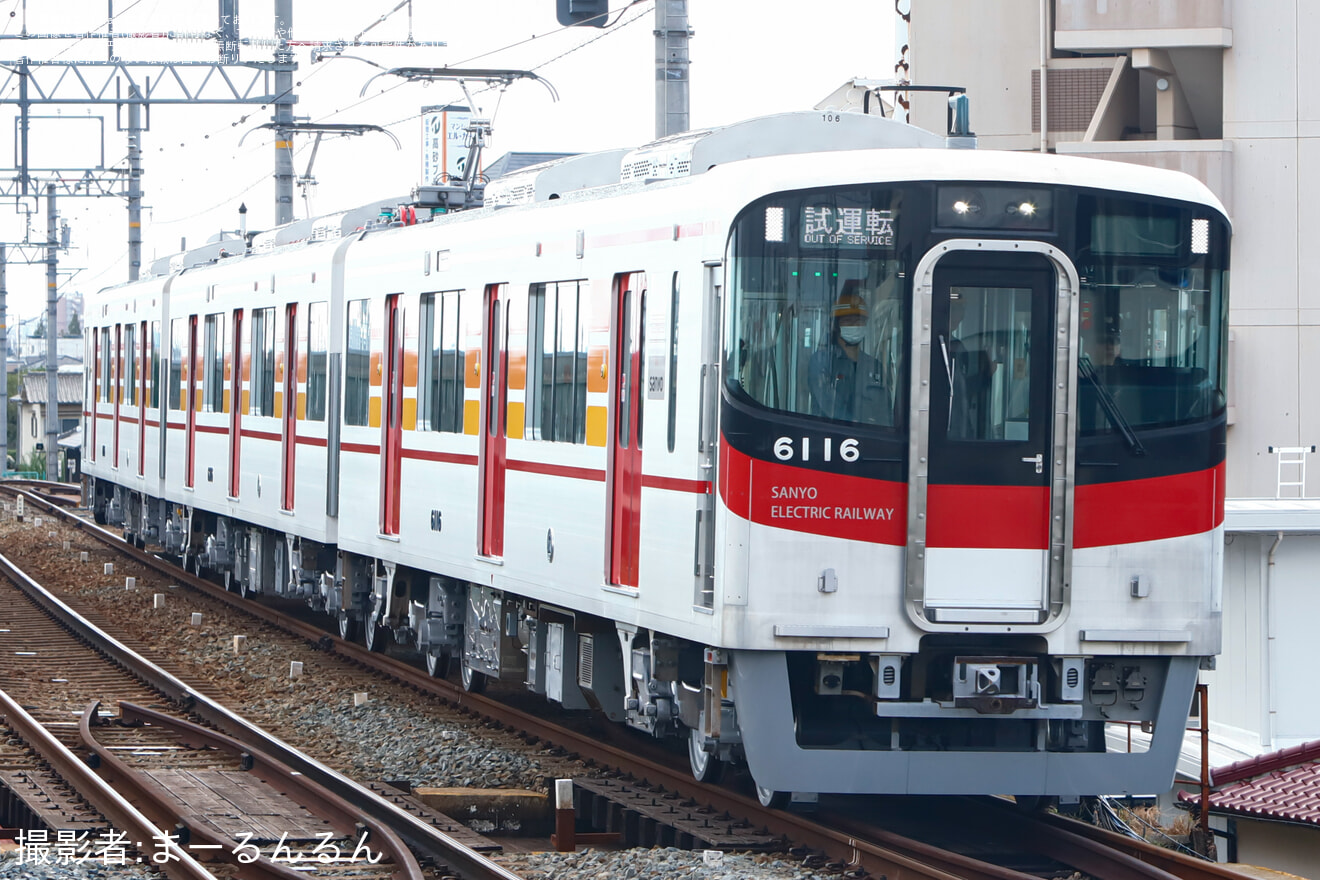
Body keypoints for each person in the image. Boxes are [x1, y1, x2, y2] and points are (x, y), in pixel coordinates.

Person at [809, 285, 892, 425]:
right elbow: (827, 405)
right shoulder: (822, 361)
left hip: (872, 439)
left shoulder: (874, 366)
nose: (854, 325)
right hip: (832, 437)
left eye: (859, 321)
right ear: (835, 326)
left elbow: (885, 412)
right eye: (847, 321)